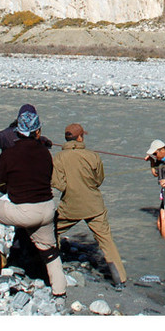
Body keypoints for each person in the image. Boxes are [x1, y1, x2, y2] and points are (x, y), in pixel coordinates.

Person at [0, 108, 67, 295]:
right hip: (47, 210)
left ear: (18, 131)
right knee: (50, 252)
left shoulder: (9, 154)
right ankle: (60, 293)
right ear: (37, 131)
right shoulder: (45, 153)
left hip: (22, 212)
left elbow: (2, 186)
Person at [52, 123, 127, 288]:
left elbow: (57, 183)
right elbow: (99, 180)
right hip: (94, 206)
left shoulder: (58, 157)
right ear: (80, 138)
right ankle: (120, 280)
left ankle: (53, 267)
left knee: (53, 230)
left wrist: (71, 188)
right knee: (106, 240)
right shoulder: (93, 156)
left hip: (70, 206)